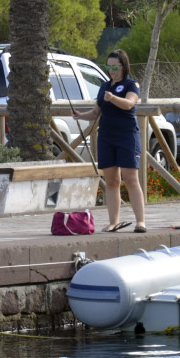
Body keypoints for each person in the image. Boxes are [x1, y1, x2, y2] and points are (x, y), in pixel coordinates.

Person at [72, 49, 146, 233]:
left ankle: (140, 222)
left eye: (115, 67)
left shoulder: (131, 84)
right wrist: (81, 115)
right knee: (111, 181)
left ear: (123, 66)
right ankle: (113, 222)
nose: (111, 70)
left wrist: (113, 98)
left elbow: (129, 103)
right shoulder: (104, 86)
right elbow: (96, 112)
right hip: (106, 136)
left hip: (127, 136)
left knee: (130, 179)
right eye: (108, 66)